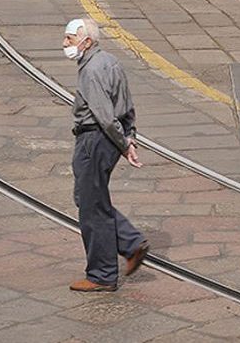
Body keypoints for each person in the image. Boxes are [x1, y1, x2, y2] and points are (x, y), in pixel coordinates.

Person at [63, 18, 149, 292]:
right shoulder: (111, 62)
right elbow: (126, 106)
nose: (65, 44)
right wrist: (129, 137)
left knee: (91, 206)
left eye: (69, 39)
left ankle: (101, 273)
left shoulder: (91, 72)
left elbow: (104, 116)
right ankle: (130, 243)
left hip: (94, 140)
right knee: (89, 198)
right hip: (108, 142)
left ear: (86, 42)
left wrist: (125, 145)